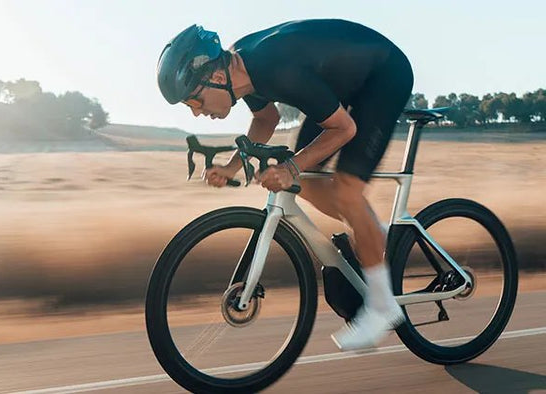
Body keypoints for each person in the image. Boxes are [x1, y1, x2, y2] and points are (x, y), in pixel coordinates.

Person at [160, 20, 415, 351]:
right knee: (303, 183)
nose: (196, 113)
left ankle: (383, 307)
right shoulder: (242, 73)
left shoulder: (273, 68)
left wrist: (291, 167)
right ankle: (370, 232)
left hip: (383, 75)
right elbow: (266, 119)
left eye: (194, 101)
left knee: (344, 189)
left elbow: (344, 129)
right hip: (343, 84)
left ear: (217, 78)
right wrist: (232, 166)